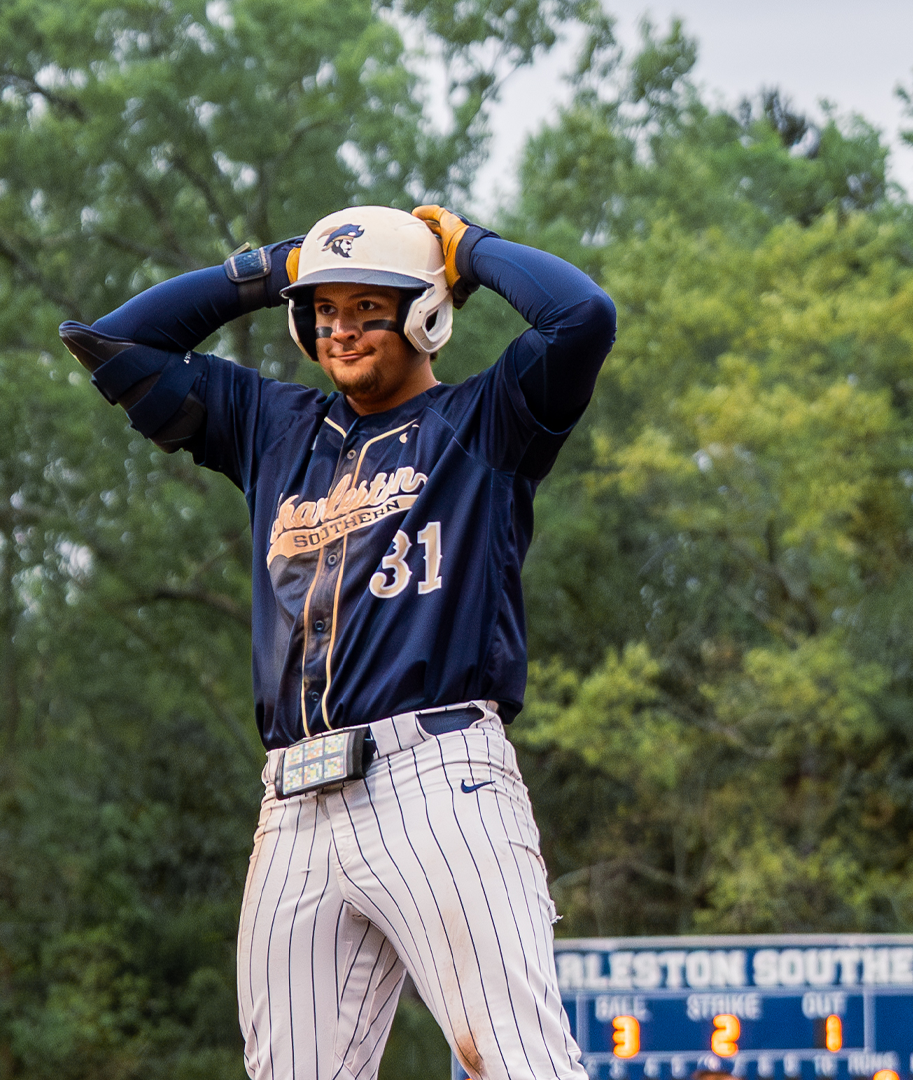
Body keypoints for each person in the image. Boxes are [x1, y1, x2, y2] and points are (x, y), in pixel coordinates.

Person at [58, 204, 616, 1080]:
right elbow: (114, 344)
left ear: (427, 313)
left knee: (517, 1062)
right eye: (324, 309)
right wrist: (280, 266)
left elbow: (582, 316)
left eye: (369, 306)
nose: (341, 328)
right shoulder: (277, 428)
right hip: (293, 805)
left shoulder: (487, 422)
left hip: (437, 781)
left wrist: (470, 249)